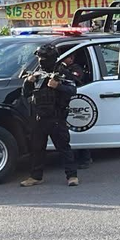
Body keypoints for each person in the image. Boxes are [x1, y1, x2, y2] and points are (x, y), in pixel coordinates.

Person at [20, 44, 80, 187]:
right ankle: (36, 177)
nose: (41, 60)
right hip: (38, 117)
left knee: (64, 148)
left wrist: (57, 86)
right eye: (39, 57)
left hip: (56, 117)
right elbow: (25, 94)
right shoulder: (36, 73)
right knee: (36, 148)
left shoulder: (62, 72)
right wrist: (28, 82)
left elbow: (73, 90)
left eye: (44, 57)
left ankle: (72, 176)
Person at [61, 50, 93, 170]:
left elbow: (76, 79)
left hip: (76, 98)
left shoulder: (76, 68)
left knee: (79, 128)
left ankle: (85, 157)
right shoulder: (58, 68)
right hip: (64, 101)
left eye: (67, 57)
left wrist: (64, 72)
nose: (66, 60)